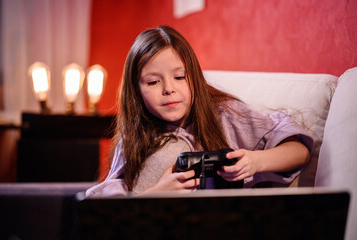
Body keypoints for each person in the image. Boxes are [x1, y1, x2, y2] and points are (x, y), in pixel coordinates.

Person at [86, 26, 313, 197]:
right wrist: (156, 195)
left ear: (194, 77)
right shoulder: (134, 136)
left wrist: (255, 161)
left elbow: (299, 151)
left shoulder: (223, 115)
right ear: (136, 91)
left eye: (179, 77)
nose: (169, 89)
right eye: (153, 82)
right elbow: (110, 206)